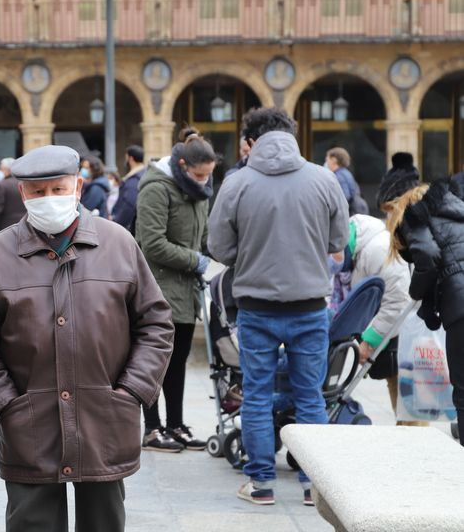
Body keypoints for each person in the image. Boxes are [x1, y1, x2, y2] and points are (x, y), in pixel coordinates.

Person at [0, 145, 174, 532]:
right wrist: (6, 403)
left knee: (104, 522)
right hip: (30, 423)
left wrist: (132, 391)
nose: (49, 200)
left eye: (57, 190)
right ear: (23, 194)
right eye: (38, 192)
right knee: (32, 522)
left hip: (104, 417)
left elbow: (156, 324)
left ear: (78, 187)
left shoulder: (119, 244)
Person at [207, 107, 348, 506]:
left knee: (255, 394)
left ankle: (262, 483)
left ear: (251, 140)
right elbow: (338, 241)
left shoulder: (236, 183)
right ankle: (312, 485)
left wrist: (251, 254)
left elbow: (218, 247)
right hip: (309, 306)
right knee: (310, 397)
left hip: (256, 306)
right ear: (292, 134)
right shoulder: (324, 179)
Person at [135, 129, 216, 453]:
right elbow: (151, 242)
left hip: (184, 289)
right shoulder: (157, 188)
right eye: (199, 174)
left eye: (209, 175)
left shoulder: (197, 190)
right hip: (158, 287)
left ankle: (176, 424)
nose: (204, 181)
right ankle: (153, 428)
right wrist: (194, 260)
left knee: (178, 359)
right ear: (182, 165)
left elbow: (204, 235)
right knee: (156, 360)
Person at [382, 175, 464, 445]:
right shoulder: (457, 209)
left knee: (462, 391)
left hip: (460, 305)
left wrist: (417, 293)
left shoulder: (414, 215)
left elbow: (427, 258)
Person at [327, 214, 423, 426]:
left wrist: (369, 340)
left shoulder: (376, 249)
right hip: (397, 336)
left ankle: (414, 448)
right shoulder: (362, 250)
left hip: (404, 337)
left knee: (408, 404)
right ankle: (407, 442)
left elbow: (398, 300)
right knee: (400, 397)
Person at [325, 147, 368, 215]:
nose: (326, 163)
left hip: (349, 213)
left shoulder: (339, 176)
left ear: (334, 160)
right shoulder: (345, 172)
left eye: (327, 160)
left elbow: (345, 197)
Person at [112, 145, 145, 232]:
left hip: (127, 228)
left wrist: (117, 222)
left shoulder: (134, 179)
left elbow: (129, 204)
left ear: (130, 158)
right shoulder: (142, 174)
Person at [0, 157, 26, 233]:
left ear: (7, 170)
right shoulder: (25, 184)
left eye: (1, 169)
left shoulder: (2, 185)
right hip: (24, 226)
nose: (0, 172)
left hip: (6, 228)